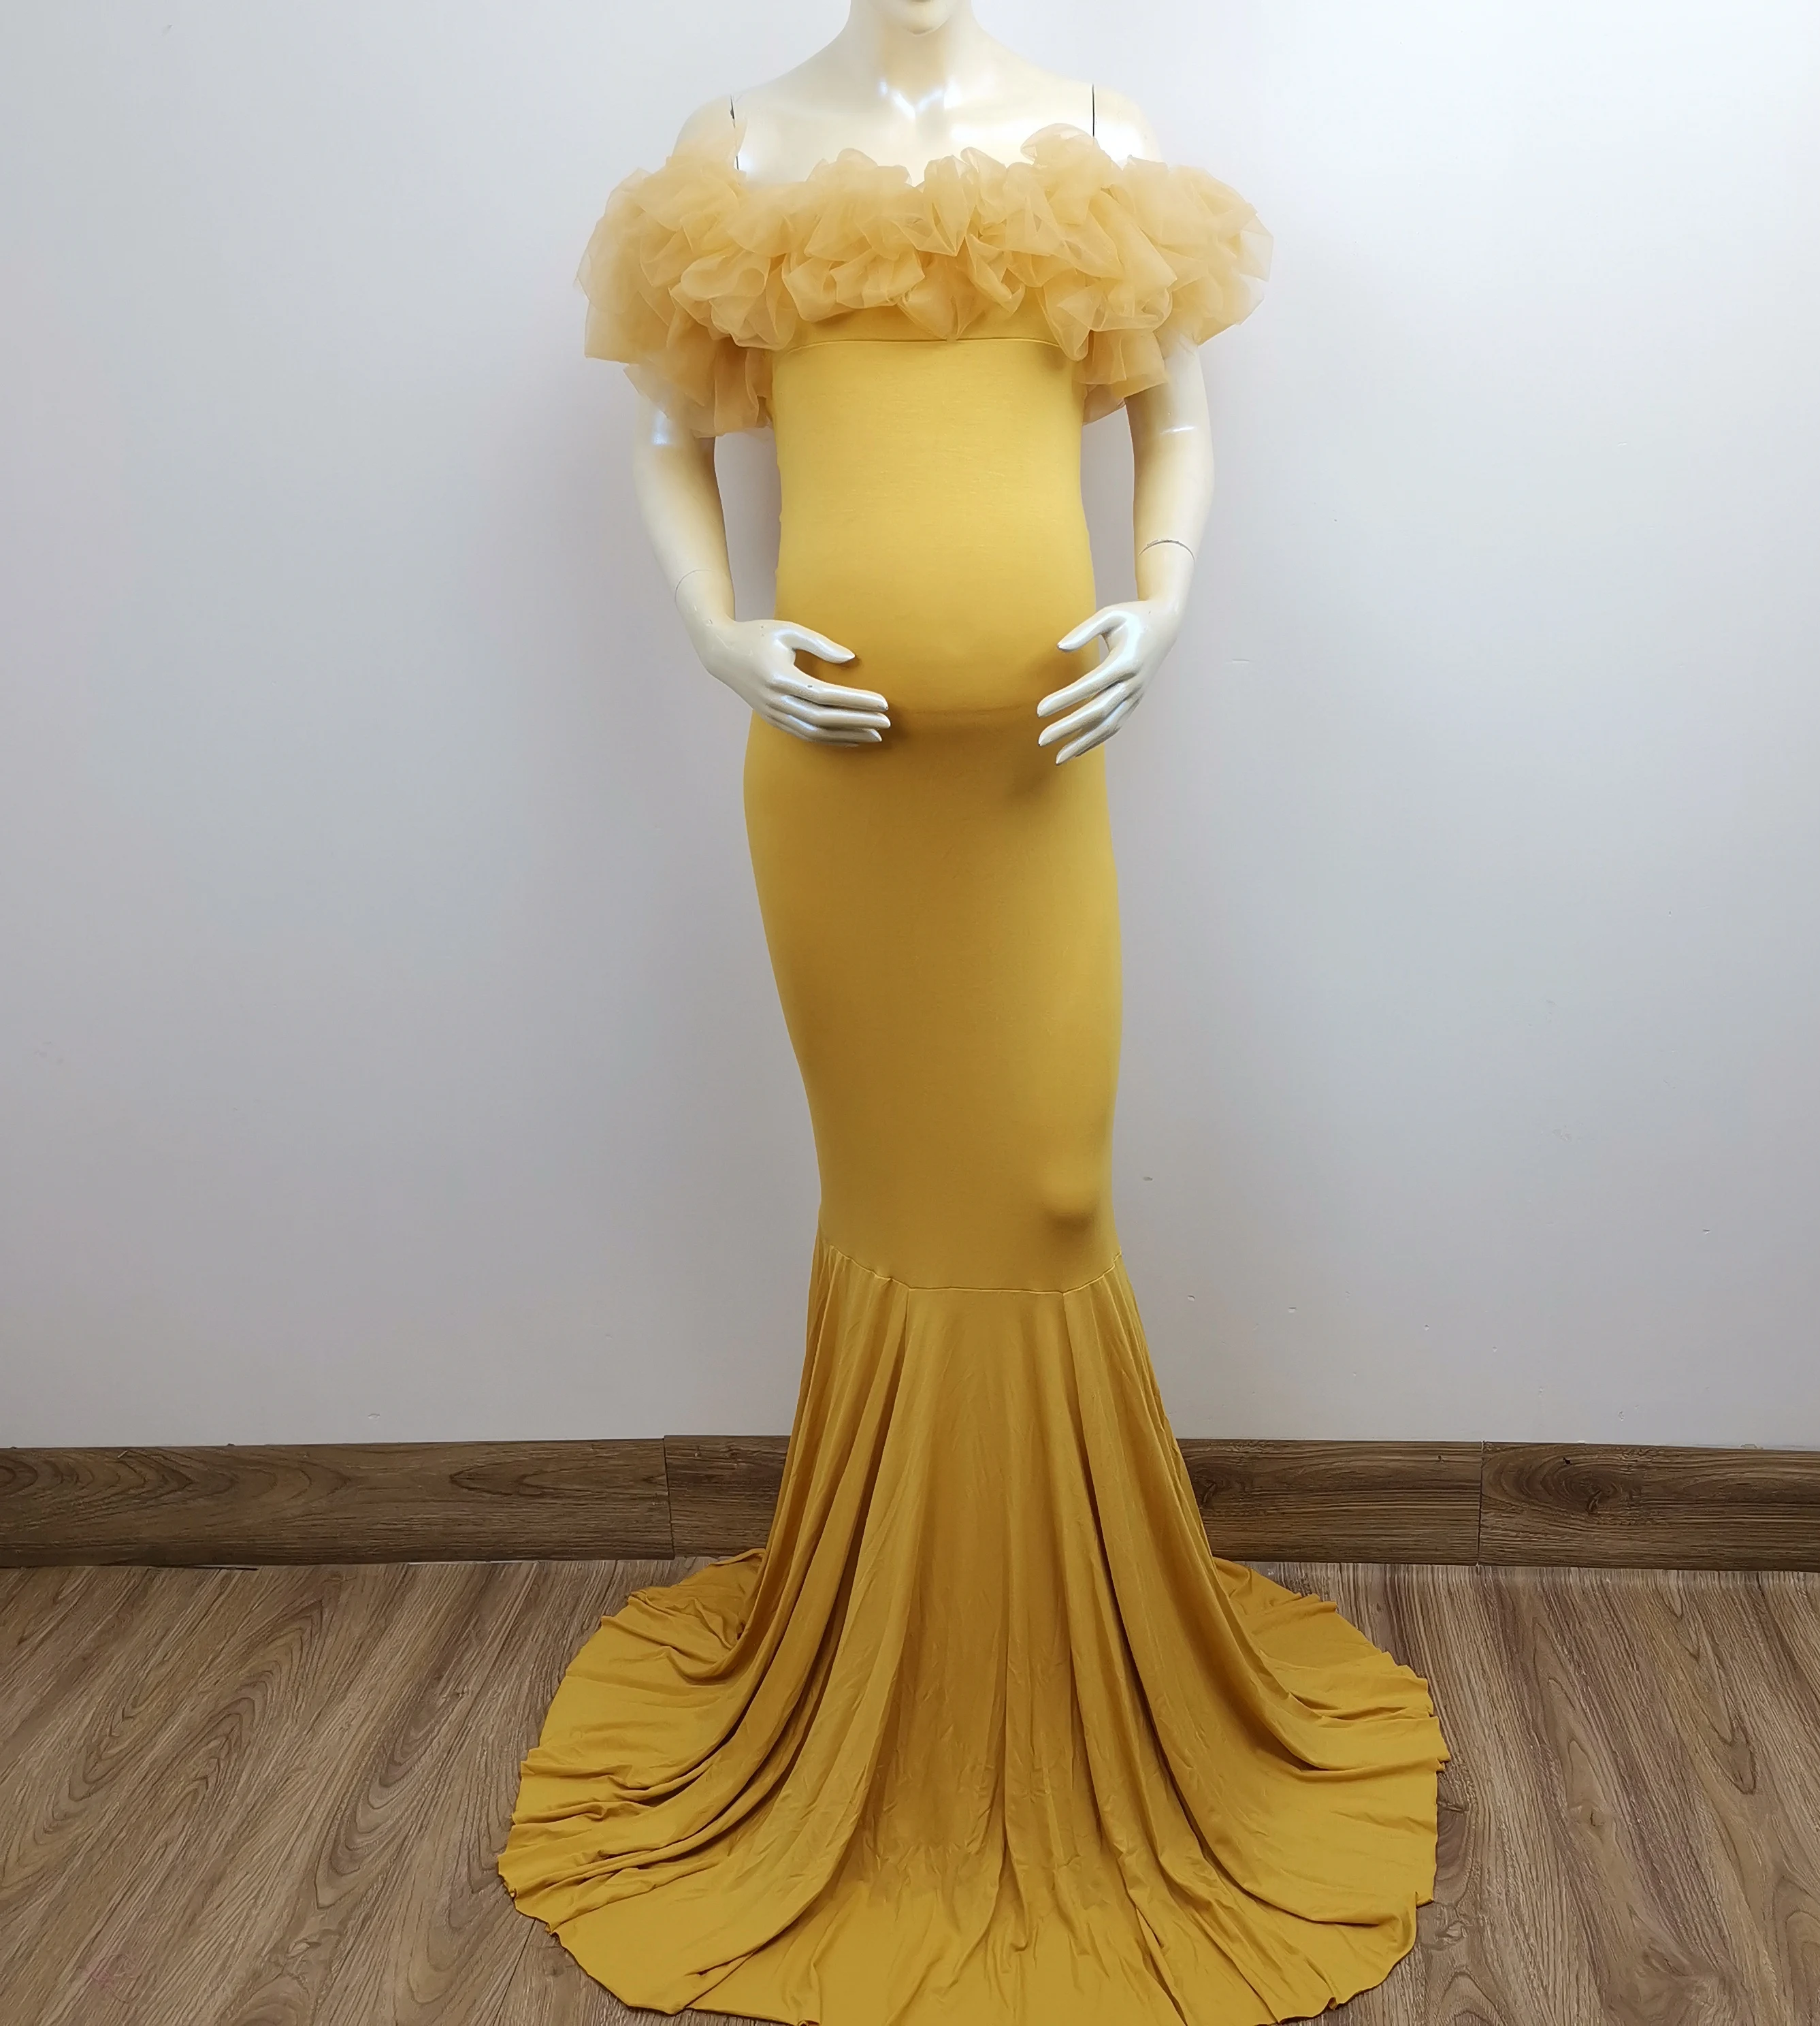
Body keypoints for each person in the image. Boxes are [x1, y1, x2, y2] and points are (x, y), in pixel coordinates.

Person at [500, 7, 1448, 2020]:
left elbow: (1174, 424)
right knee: (904, 1211)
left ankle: (1062, 1692)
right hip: (833, 797)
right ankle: (902, 1697)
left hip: (1032, 782)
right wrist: (720, 633)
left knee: (1044, 1196)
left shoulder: (1093, 135)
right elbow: (671, 445)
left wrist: (1160, 604)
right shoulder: (736, 151)